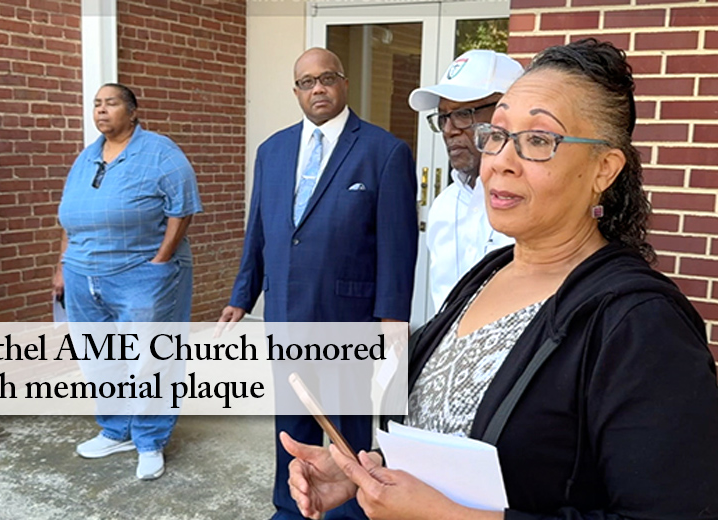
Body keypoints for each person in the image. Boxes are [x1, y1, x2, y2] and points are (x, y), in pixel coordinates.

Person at [283, 39, 718, 520]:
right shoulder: (486, 276)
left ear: (604, 169)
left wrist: (442, 515)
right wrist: (368, 472)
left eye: (538, 140)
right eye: (497, 134)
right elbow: (457, 438)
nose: (501, 161)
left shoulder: (640, 327)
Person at [218, 48, 418, 519]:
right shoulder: (273, 151)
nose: (318, 89)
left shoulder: (383, 151)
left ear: (344, 84)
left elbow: (397, 244)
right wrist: (241, 297)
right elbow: (260, 231)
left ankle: (351, 511)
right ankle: (292, 506)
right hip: (285, 316)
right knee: (291, 424)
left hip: (348, 319)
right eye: (307, 82)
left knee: (347, 430)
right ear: (296, 92)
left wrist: (393, 318)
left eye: (327, 78)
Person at [53, 83, 202, 480]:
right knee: (99, 358)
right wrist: (62, 265)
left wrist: (160, 262)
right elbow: (69, 215)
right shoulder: (87, 157)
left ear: (133, 111)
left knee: (152, 358)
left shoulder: (160, 152)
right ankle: (116, 429)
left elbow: (182, 209)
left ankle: (150, 439)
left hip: (142, 273)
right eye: (96, 104)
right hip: (84, 274)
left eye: (111, 103)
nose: (101, 111)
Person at [408, 50, 521, 311]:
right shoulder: (444, 207)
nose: (449, 129)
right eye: (444, 117)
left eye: (463, 113)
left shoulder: (536, 202)